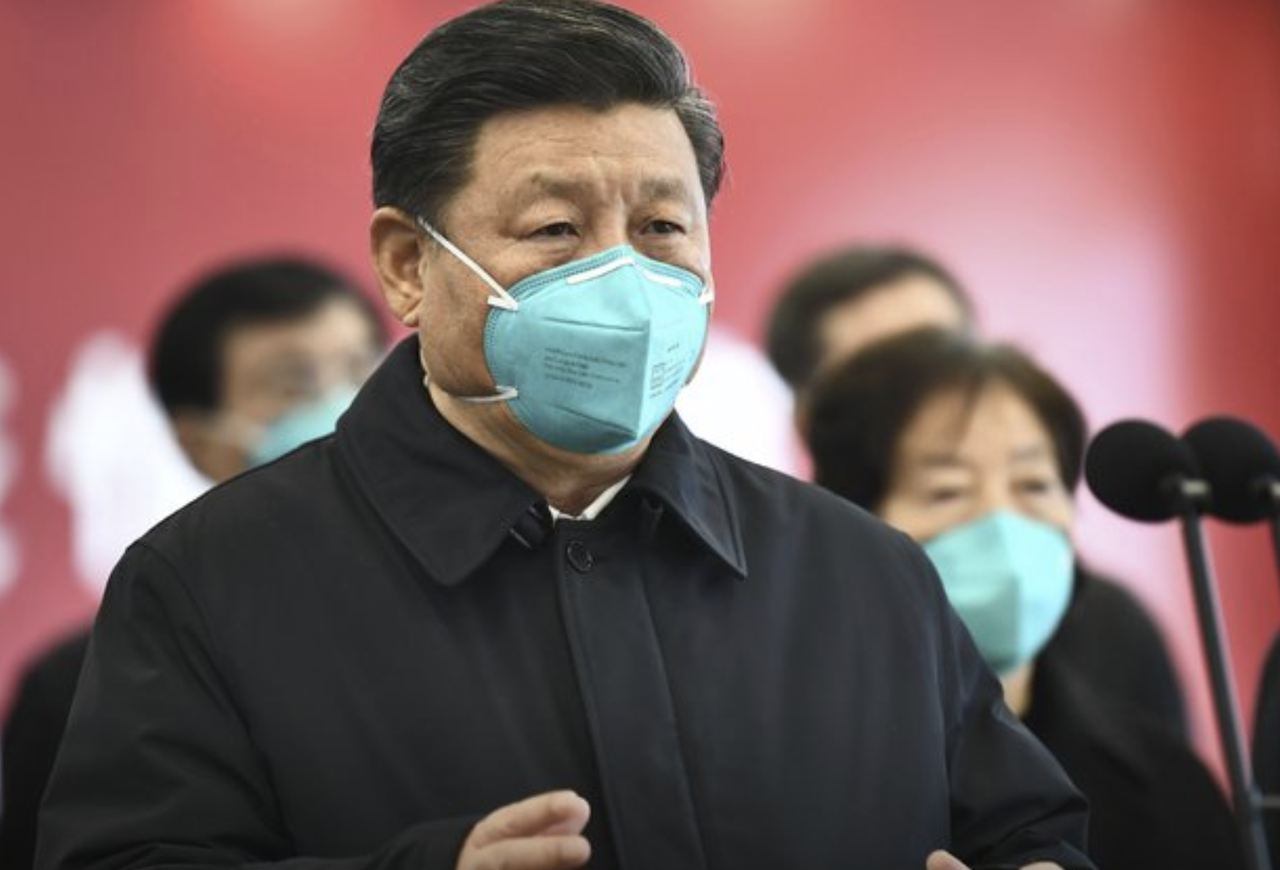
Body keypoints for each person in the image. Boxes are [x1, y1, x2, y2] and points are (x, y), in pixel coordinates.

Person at [37, 3, 1095, 869]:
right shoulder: (211, 584)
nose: (621, 278)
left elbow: (1026, 830)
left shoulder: (861, 573)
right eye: (555, 230)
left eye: (661, 228)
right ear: (407, 266)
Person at [806, 327, 1246, 870]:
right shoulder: (792, 771)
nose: (1002, 523)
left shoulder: (1166, 782)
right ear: (851, 521)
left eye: (1034, 484)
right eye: (947, 491)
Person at [0, 256, 387, 870]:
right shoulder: (86, 686)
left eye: (364, 368)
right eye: (296, 385)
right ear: (201, 443)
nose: (348, 406)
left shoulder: (487, 599)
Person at [764, 242, 1188, 737]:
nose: (934, 389)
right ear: (813, 422)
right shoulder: (771, 634)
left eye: (943, 350)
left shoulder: (1112, 629)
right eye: (885, 373)